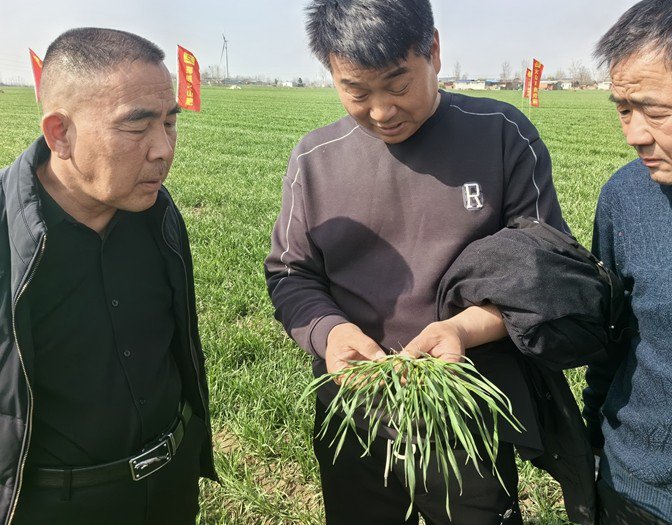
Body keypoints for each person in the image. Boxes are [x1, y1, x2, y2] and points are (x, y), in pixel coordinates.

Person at [265, 1, 571, 523]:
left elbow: (544, 274)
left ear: (433, 50)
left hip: (466, 410)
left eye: (397, 84)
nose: (381, 111)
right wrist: (331, 335)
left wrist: (461, 331)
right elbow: (291, 274)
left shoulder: (500, 134)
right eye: (356, 91)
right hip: (355, 412)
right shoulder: (315, 158)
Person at [0, 28, 216, 525]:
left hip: (171, 484)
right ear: (61, 134)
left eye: (169, 122)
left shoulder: (157, 214)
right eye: (137, 127)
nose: (164, 149)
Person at [582, 1, 672, 524]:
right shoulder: (627, 198)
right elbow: (610, 335)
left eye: (654, 111)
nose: (633, 134)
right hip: (638, 492)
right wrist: (592, 441)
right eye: (622, 109)